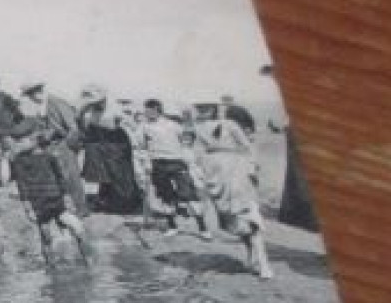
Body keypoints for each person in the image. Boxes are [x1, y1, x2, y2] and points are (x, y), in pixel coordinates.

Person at [196, 116, 274, 279]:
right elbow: (200, 153)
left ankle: (264, 264)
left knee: (250, 219)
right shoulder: (200, 127)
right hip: (216, 179)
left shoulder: (230, 124)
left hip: (237, 176)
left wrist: (252, 167)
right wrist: (203, 173)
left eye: (207, 106)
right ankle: (251, 257)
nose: (204, 109)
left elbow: (247, 146)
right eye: (200, 106)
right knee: (237, 226)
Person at [11, 133, 90, 264]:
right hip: (39, 203)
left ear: (35, 141)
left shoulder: (50, 157)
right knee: (46, 236)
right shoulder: (20, 161)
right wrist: (27, 207)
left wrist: (67, 198)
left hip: (56, 201)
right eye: (19, 141)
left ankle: (88, 262)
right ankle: (51, 268)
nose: (20, 144)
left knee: (78, 228)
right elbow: (21, 185)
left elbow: (60, 178)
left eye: (24, 141)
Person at [137, 99, 212, 237]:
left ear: (158, 110)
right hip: (158, 164)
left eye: (150, 109)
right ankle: (172, 226)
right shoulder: (143, 127)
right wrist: (145, 163)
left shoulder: (173, 125)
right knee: (166, 197)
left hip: (177, 162)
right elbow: (141, 147)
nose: (147, 112)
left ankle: (203, 229)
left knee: (188, 195)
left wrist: (189, 158)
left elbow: (186, 141)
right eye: (146, 109)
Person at [19, 80, 89, 217]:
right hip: (52, 145)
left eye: (31, 95)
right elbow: (47, 128)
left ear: (38, 92)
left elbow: (73, 127)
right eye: (28, 96)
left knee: (71, 177)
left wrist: (68, 146)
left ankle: (81, 209)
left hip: (63, 145)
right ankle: (66, 208)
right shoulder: (43, 106)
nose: (31, 99)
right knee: (59, 178)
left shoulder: (56, 102)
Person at [77, 86, 142, 214]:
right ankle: (106, 201)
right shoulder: (87, 110)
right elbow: (81, 124)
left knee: (119, 173)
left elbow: (133, 126)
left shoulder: (115, 109)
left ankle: (127, 203)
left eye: (97, 102)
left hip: (117, 144)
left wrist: (138, 142)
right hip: (99, 143)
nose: (95, 104)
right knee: (103, 173)